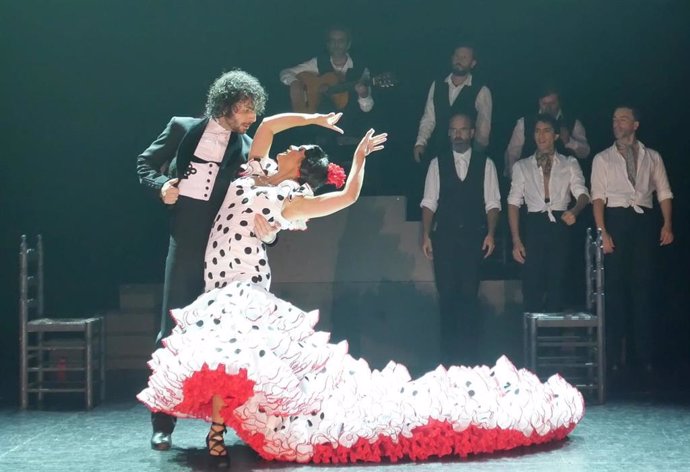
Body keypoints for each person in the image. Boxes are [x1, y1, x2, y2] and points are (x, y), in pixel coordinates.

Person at [138, 113, 584, 464]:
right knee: (221, 356)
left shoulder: (286, 198)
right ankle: (221, 427)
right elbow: (271, 127)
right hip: (215, 276)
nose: (287, 149)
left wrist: (358, 160)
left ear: (299, 170)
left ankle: (217, 434)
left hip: (243, 281)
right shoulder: (254, 172)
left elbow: (346, 198)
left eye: (295, 152)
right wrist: (315, 119)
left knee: (229, 355)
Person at [136, 70, 278, 451]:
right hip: (185, 246)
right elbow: (145, 164)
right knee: (171, 331)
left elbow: (259, 205)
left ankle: (226, 425)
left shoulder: (248, 147)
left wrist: (270, 232)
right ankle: (162, 422)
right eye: (245, 109)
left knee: (226, 340)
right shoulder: (183, 129)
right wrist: (162, 186)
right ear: (225, 105)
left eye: (254, 109)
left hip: (226, 254)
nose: (251, 117)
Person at [590, 106, 673, 375]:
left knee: (642, 287)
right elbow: (598, 197)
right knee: (613, 290)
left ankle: (644, 355)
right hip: (615, 219)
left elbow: (663, 191)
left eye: (623, 119)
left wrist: (667, 224)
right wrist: (603, 232)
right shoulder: (603, 158)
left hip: (643, 222)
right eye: (614, 119)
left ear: (635, 124)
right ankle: (614, 356)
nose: (617, 123)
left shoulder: (652, 157)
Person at [420, 113, 501, 365]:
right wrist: (426, 234)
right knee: (446, 296)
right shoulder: (438, 163)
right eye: (453, 130)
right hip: (444, 237)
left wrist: (490, 233)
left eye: (463, 130)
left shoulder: (485, 163)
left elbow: (493, 203)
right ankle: (448, 361)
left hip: (473, 237)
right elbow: (429, 202)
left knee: (469, 296)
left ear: (472, 132)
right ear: (448, 133)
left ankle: (469, 361)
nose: (458, 134)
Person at [507, 114, 590, 313]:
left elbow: (583, 194)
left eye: (546, 131)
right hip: (534, 225)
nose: (541, 136)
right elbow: (513, 202)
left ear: (555, 136)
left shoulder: (569, 163)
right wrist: (516, 240)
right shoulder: (522, 165)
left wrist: (575, 211)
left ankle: (554, 339)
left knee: (558, 283)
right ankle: (531, 341)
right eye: (537, 131)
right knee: (531, 284)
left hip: (560, 224)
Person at [279, 26, 375, 166]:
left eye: (341, 41)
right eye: (332, 41)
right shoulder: (318, 62)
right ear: (328, 44)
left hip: (347, 129)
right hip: (319, 131)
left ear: (348, 44)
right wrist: (295, 83)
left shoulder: (361, 69)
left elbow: (367, 108)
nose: (337, 45)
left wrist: (364, 94)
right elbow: (285, 73)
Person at [413, 42, 492, 164]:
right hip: (438, 153)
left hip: (466, 156)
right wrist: (420, 143)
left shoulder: (481, 90)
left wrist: (476, 156)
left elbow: (483, 129)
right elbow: (429, 118)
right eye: (457, 56)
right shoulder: (437, 85)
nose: (459, 60)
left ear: (473, 63)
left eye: (464, 57)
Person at [505, 85, 590, 178]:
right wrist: (515, 179)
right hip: (530, 183)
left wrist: (570, 141)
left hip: (563, 184)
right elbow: (512, 154)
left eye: (552, 103)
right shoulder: (524, 123)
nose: (548, 108)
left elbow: (585, 153)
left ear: (559, 102)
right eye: (544, 104)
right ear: (539, 102)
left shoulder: (573, 123)